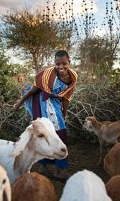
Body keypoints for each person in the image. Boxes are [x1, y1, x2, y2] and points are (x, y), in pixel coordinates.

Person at [13, 50, 78, 180]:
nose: (61, 67)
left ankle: (49, 167)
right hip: (41, 101)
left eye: (64, 63)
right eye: (57, 63)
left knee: (57, 130)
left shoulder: (73, 77)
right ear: (54, 63)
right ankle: (55, 169)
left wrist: (64, 114)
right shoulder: (47, 75)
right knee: (57, 132)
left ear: (69, 63)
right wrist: (19, 103)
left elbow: (66, 98)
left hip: (53, 102)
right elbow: (32, 90)